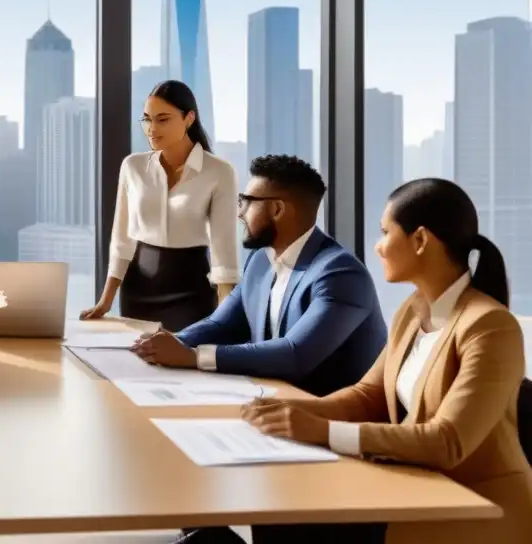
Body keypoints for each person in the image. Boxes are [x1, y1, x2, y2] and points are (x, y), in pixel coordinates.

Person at [240, 178, 532, 544]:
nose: (377, 247)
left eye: (385, 232)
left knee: (295, 523)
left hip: (476, 508)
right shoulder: (412, 311)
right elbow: (369, 395)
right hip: (416, 486)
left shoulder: (490, 326)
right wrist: (293, 410)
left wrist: (321, 430)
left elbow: (448, 441)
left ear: (421, 240)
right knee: (279, 513)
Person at [132, 155, 386, 398]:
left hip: (331, 420)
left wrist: (194, 357)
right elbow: (220, 325)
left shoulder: (339, 274)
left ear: (277, 209)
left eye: (246, 201)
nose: (239, 213)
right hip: (272, 401)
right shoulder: (260, 262)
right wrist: (168, 343)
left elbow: (295, 355)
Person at [81, 81, 239, 331]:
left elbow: (224, 255)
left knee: (187, 364)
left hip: (192, 289)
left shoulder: (219, 172)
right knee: (137, 364)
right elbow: (122, 240)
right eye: (147, 120)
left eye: (162, 119)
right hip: (139, 288)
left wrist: (225, 318)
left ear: (189, 118)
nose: (152, 129)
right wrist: (106, 300)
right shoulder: (133, 167)